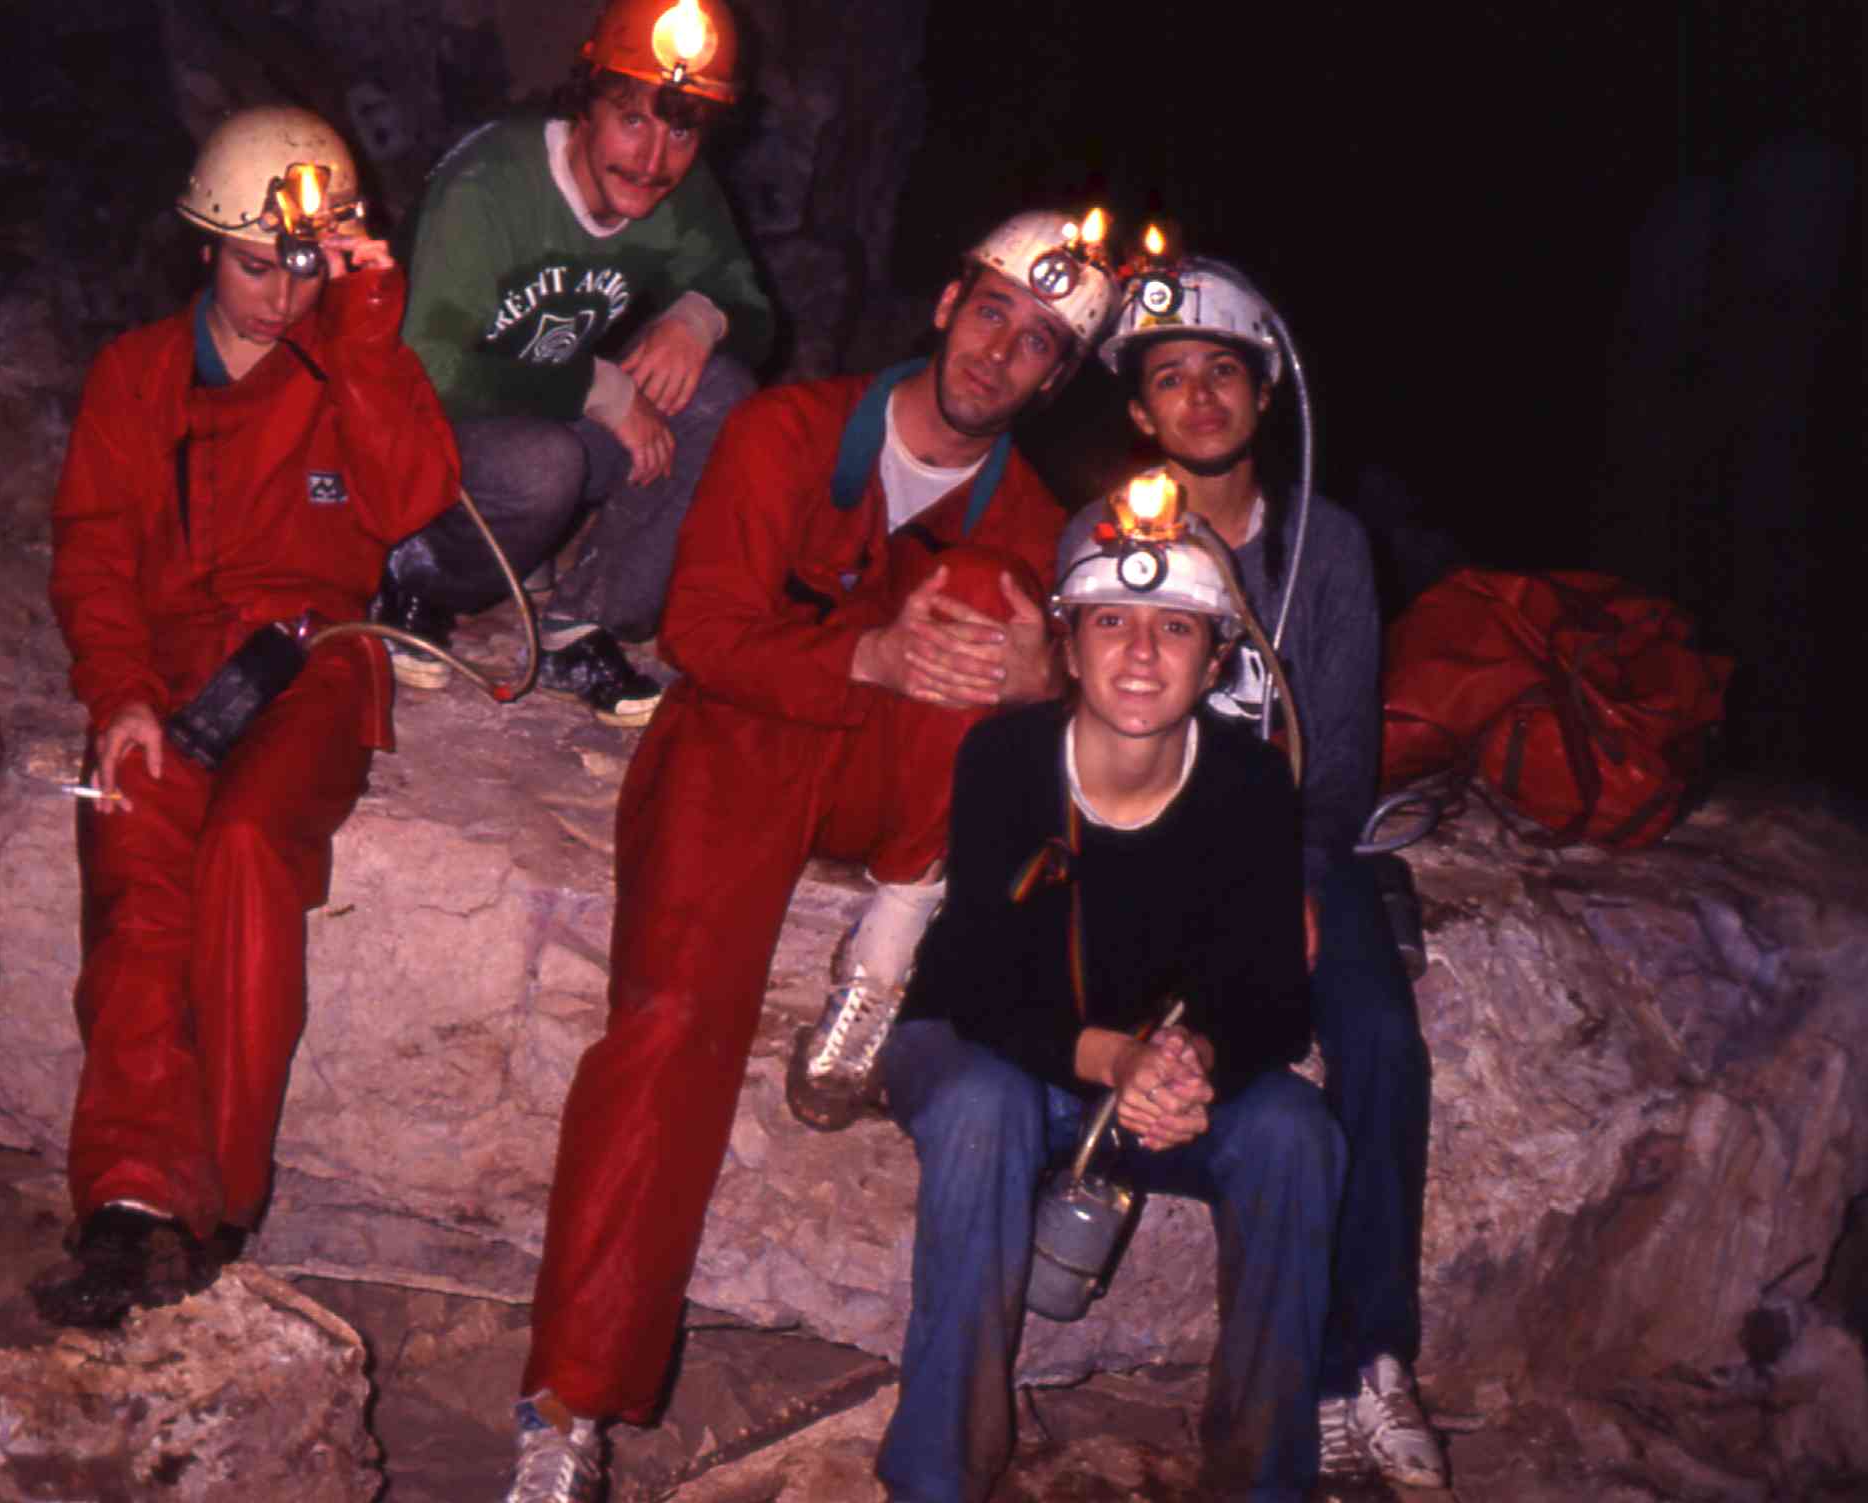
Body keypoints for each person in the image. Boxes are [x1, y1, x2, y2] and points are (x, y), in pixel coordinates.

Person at [500, 212, 1118, 1503]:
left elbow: (1097, 707)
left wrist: (1046, 674)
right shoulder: (791, 430)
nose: (999, 352)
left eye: (1037, 344)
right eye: (991, 313)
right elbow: (700, 632)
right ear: (946, 304)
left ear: (1055, 379)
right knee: (670, 1024)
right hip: (738, 737)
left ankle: (881, 957)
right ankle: (568, 1406)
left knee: (991, 611)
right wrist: (866, 653)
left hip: (894, 781)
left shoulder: (1032, 519)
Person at [30, 105, 462, 1328]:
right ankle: (127, 1199)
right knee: (137, 862)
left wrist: (366, 326)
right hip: (169, 669)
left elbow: (412, 499)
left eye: (301, 268)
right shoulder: (135, 376)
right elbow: (93, 552)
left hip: (312, 659)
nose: (279, 297)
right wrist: (119, 692)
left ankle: (216, 1204)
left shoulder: (347, 363)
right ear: (206, 250)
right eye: (253, 265)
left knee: (249, 850)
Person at [878, 509, 1342, 1502]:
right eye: (1110, 623)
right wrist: (1115, 1061)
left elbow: (1273, 996)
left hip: (1144, 1084)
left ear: (1215, 662)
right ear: (1068, 646)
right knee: (982, 1108)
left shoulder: (1251, 781)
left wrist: (1195, 1063)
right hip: (982, 1049)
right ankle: (935, 1479)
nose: (1139, 653)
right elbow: (978, 984)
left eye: (1174, 628)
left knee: (1294, 1134)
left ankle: (1263, 1477)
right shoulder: (1005, 759)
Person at [1079, 257, 1446, 1489]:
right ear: (1138, 408)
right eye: (1168, 378)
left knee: (1376, 1039)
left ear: (1265, 390)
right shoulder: (1104, 532)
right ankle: (1288, 1374)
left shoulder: (1324, 547)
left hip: (1289, 846)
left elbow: (1336, 758)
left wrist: (1287, 874)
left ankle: (1368, 1363)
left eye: (1221, 373)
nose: (1197, 398)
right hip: (1142, 851)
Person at [379, 0, 774, 726]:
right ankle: (415, 579)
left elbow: (757, 317)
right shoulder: (488, 187)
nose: (653, 161)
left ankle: (582, 623)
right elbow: (422, 370)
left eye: (681, 131)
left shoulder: (681, 194)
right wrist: (597, 388)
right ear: (585, 104)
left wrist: (699, 316)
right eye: (632, 120)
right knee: (543, 467)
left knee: (720, 389)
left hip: (547, 413)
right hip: (425, 435)